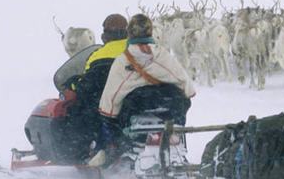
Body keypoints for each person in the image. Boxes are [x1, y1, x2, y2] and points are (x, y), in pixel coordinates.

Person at [89, 13, 196, 166]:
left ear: (129, 33)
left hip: (136, 108)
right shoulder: (162, 54)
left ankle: (112, 151)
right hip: (169, 108)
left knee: (108, 118)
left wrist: (108, 117)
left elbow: (111, 96)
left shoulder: (123, 60)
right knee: (180, 101)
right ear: (150, 32)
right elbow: (187, 86)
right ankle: (175, 137)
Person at [60, 14, 128, 163]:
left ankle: (84, 153)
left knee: (78, 111)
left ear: (105, 35)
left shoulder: (98, 55)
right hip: (131, 102)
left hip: (106, 105)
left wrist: (72, 84)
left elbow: (87, 82)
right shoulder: (136, 50)